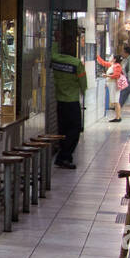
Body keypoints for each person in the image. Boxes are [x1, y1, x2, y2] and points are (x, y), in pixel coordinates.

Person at [50, 34, 87, 169]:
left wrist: (54, 41)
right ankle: (64, 156)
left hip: (60, 102)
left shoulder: (55, 59)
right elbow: (83, 84)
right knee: (75, 130)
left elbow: (51, 49)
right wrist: (83, 91)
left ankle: (64, 156)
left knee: (63, 130)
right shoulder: (76, 63)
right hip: (72, 102)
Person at [94, 49, 126, 121]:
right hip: (112, 85)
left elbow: (116, 75)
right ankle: (117, 116)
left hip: (114, 85)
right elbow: (103, 63)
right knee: (115, 101)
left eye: (112, 58)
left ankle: (118, 117)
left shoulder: (117, 66)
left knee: (116, 101)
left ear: (114, 59)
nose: (111, 59)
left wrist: (107, 76)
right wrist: (97, 56)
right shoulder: (113, 65)